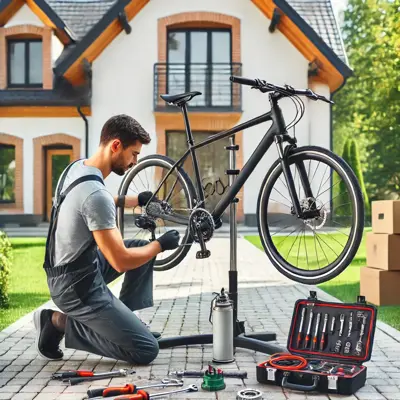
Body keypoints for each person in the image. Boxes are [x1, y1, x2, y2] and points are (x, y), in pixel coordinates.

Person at [33, 114, 180, 365]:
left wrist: (137, 200)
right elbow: (120, 260)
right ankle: (56, 322)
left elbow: (89, 204)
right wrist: (160, 245)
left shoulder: (76, 168)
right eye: (133, 154)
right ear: (115, 146)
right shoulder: (95, 196)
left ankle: (124, 321)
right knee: (146, 350)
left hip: (70, 271)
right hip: (76, 287)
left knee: (140, 249)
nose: (135, 162)